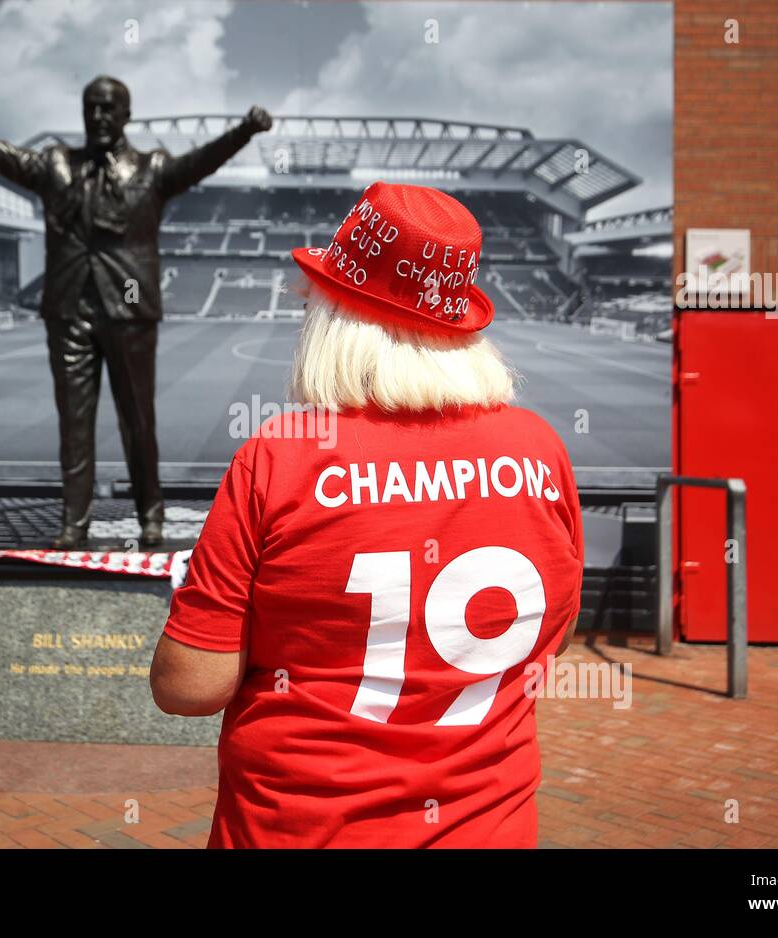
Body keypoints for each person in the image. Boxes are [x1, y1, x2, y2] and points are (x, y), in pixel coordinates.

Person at [151, 181, 585, 848]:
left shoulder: (280, 459)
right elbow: (549, 633)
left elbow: (190, 685)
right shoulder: (540, 450)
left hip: (299, 831)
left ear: (340, 318)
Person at [0, 76, 273, 549]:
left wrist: (244, 131)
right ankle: (74, 522)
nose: (98, 116)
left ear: (126, 115)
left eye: (108, 108)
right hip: (68, 309)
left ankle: (150, 515)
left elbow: (201, 162)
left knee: (138, 420)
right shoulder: (55, 164)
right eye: (91, 107)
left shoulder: (153, 168)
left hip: (129, 309)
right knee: (73, 424)